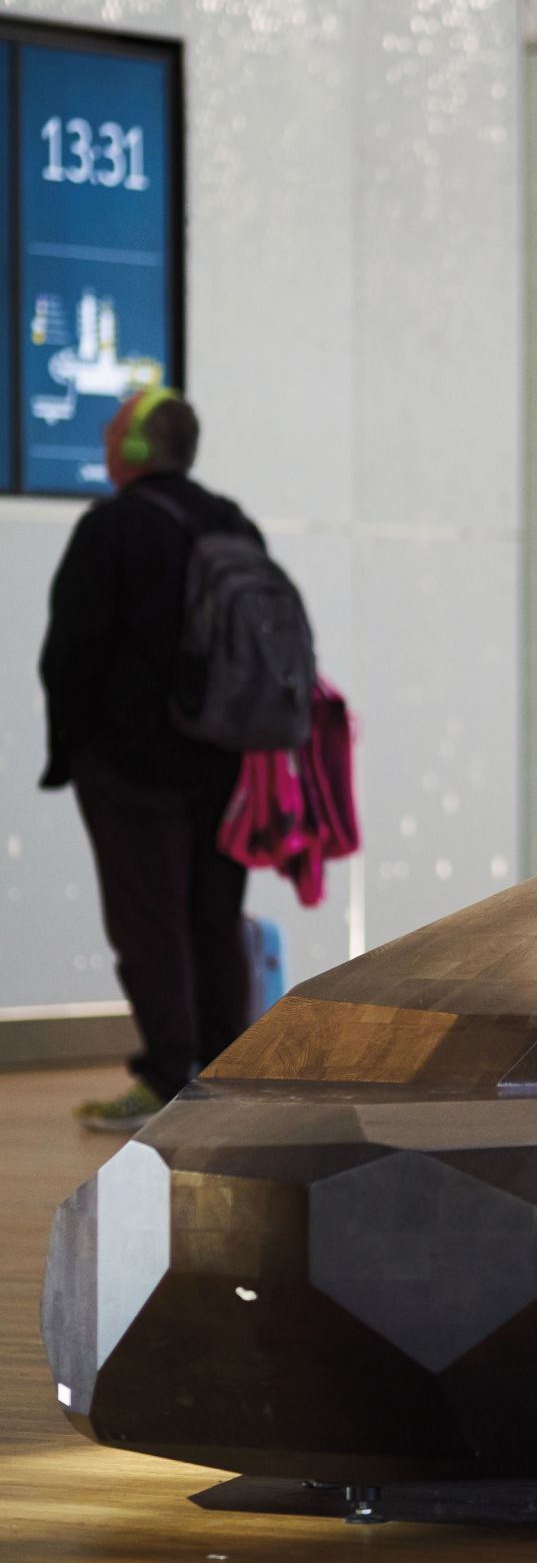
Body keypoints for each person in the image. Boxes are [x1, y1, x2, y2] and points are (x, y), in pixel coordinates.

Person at [39, 388, 264, 1132]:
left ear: (133, 449)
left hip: (133, 769)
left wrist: (71, 746)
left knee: (149, 921)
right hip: (226, 759)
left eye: (110, 431)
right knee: (214, 916)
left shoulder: (113, 528)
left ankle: (168, 1076)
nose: (103, 443)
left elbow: (70, 651)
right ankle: (225, 1076)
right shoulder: (231, 522)